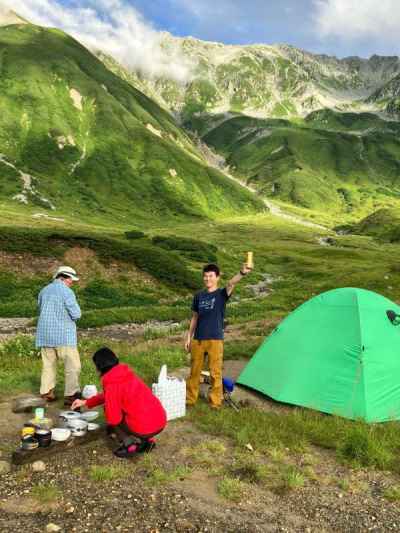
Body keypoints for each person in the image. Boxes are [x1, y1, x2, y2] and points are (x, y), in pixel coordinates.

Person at [72, 347, 167, 458]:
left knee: (111, 413)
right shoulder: (126, 374)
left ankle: (129, 445)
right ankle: (148, 441)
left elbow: (114, 418)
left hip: (144, 428)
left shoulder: (111, 383)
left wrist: (109, 417)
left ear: (99, 366)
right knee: (138, 409)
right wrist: (86, 402)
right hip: (160, 420)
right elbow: (109, 395)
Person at [185, 262, 253, 408]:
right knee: (194, 371)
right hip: (198, 339)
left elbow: (231, 283)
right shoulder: (199, 296)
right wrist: (188, 337)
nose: (207, 279)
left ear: (217, 277)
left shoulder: (222, 294)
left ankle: (215, 402)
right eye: (205, 276)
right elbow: (195, 317)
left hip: (215, 339)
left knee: (215, 372)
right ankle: (190, 399)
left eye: (210, 276)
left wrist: (241, 273)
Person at [36, 266, 82, 406]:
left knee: (48, 365)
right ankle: (71, 395)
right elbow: (77, 314)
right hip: (64, 335)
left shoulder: (43, 290)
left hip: (44, 334)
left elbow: (40, 308)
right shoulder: (67, 292)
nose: (71, 282)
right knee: (73, 365)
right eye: (70, 280)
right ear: (63, 278)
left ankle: (46, 393)